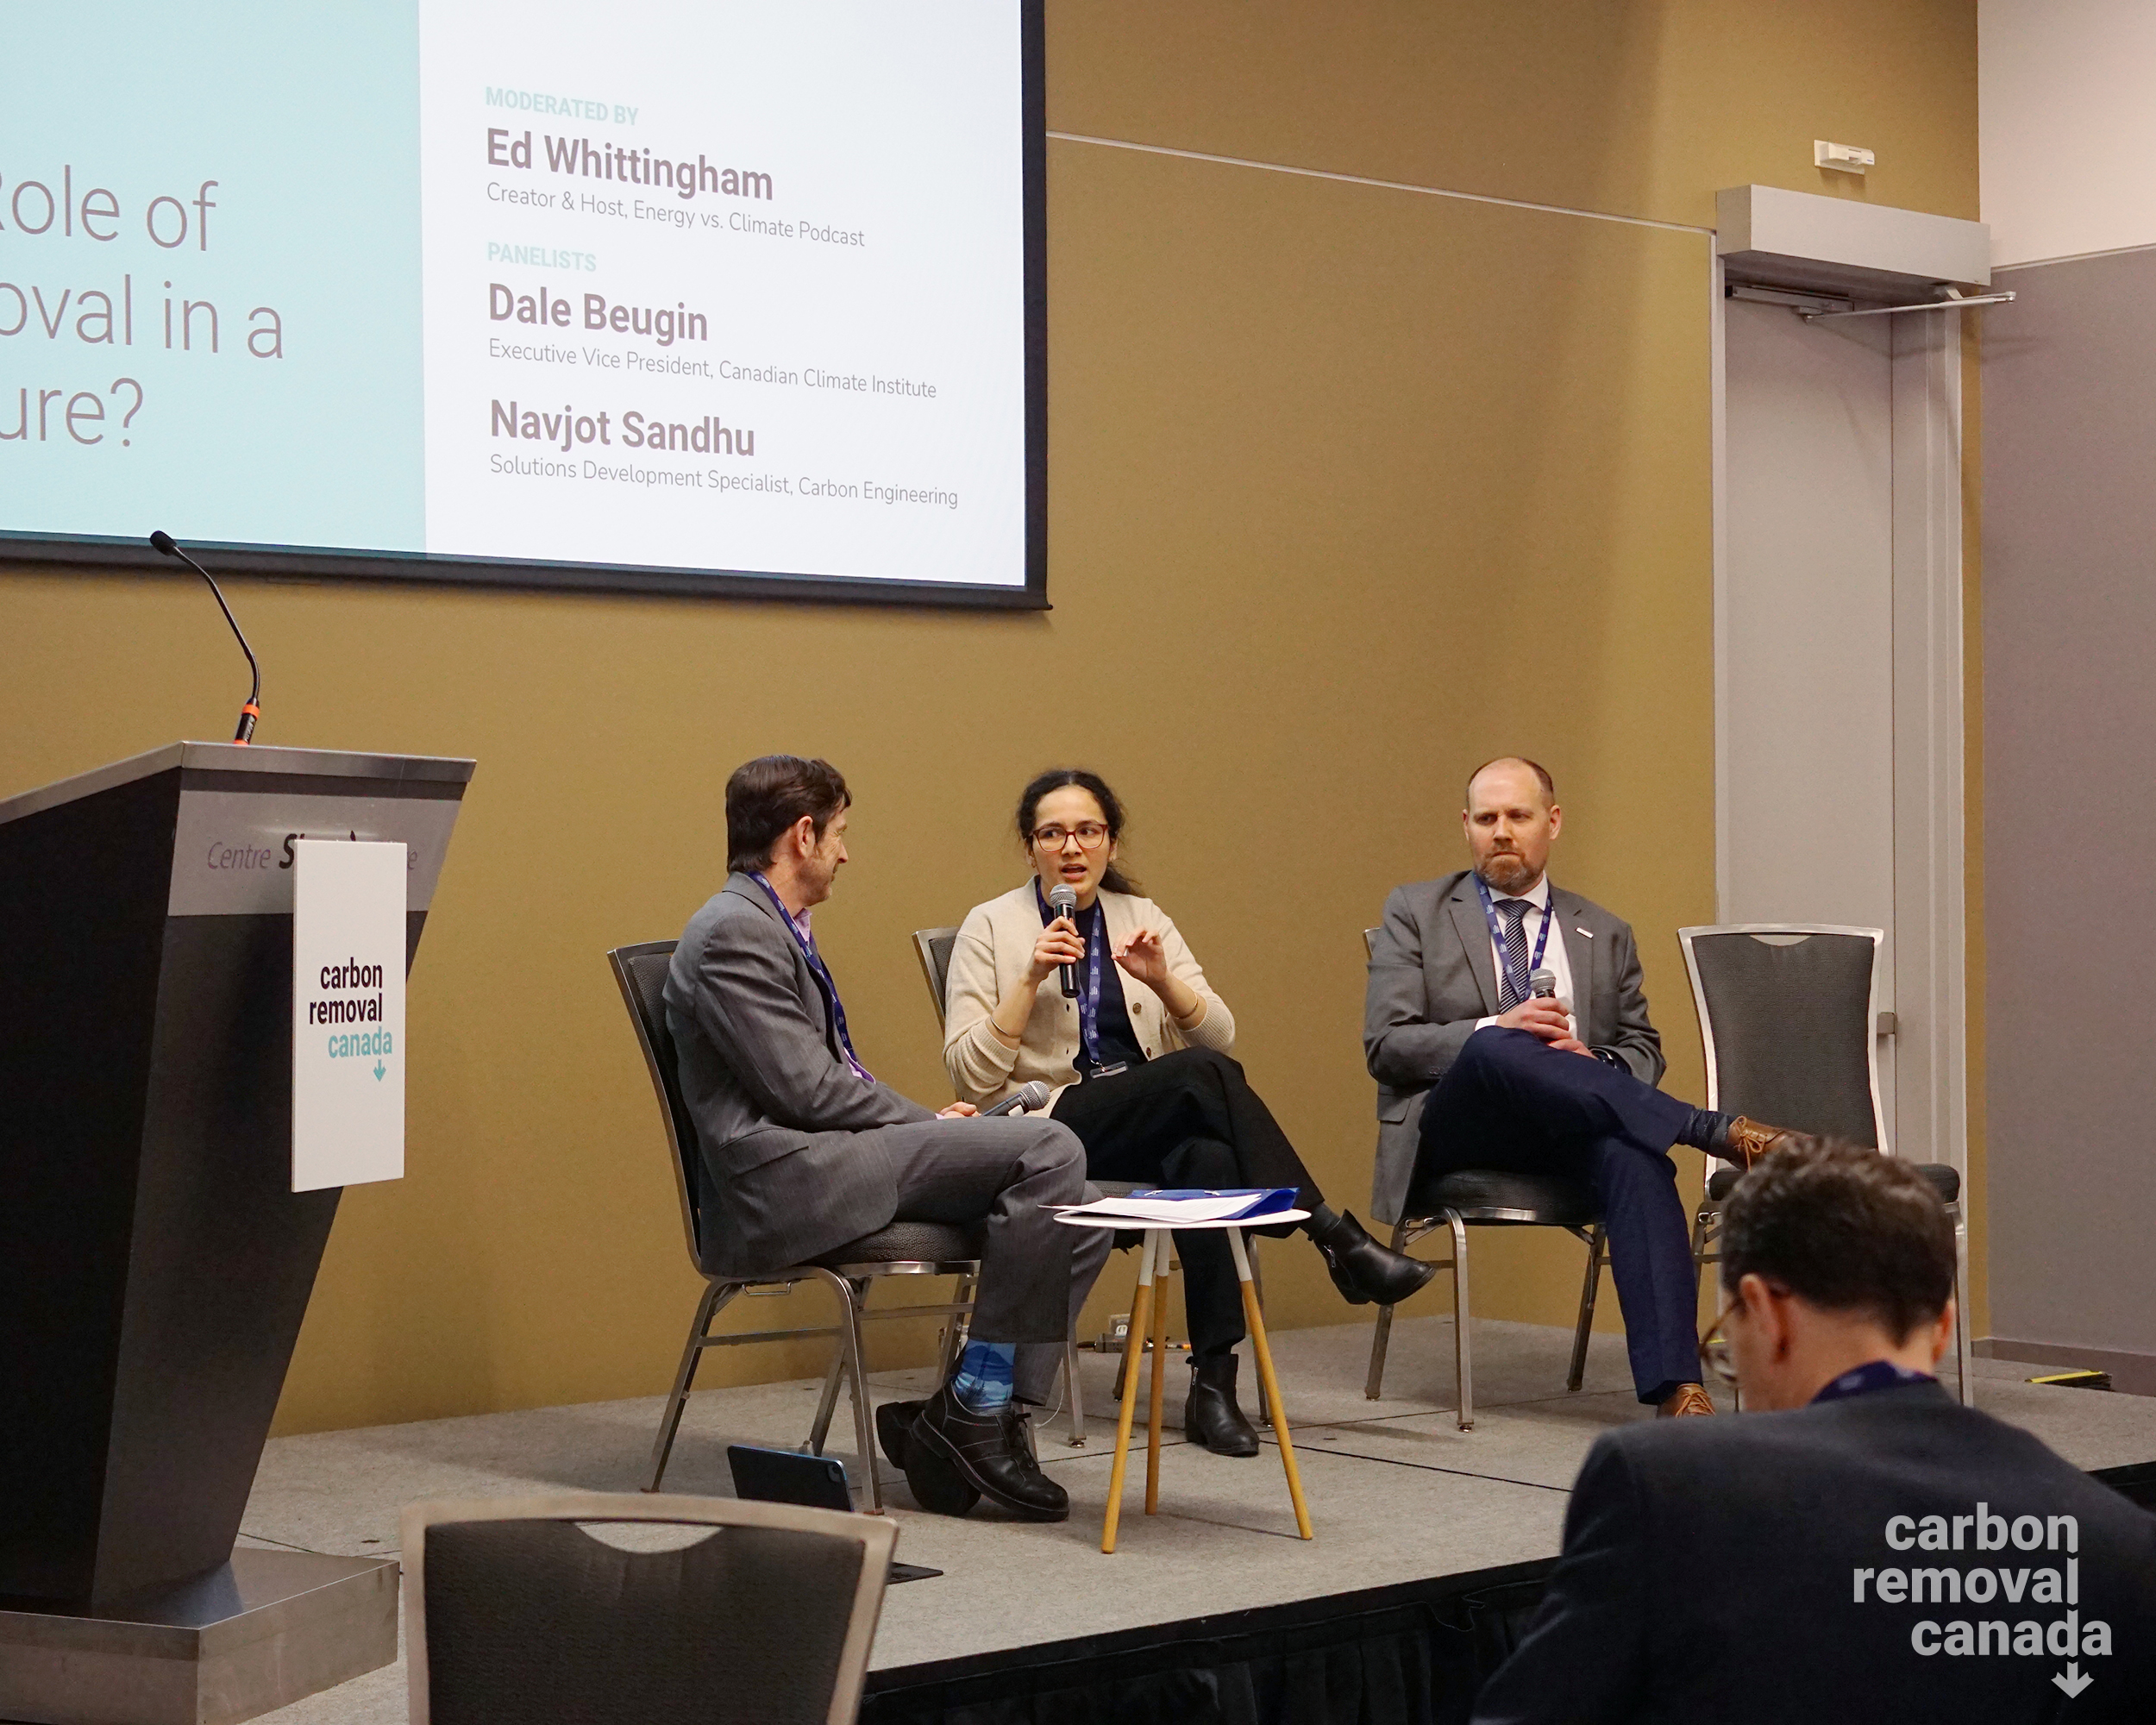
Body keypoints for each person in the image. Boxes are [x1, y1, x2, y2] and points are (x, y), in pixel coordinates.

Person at [1470, 1140, 2156, 1723]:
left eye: (1725, 1340)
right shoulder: (2115, 1542)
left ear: (1766, 1312)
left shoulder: (1666, 1488)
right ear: (1942, 1328)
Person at [935, 767, 1433, 1457]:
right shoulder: (992, 925)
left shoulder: (1143, 918)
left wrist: (1164, 981)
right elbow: (970, 1071)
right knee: (1199, 1078)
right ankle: (1333, 1237)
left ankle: (1214, 1386)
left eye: (1088, 831)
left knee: (1213, 1159)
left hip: (1142, 1119)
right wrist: (1029, 979)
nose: (1071, 848)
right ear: (1031, 849)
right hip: (1050, 1129)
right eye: (1053, 834)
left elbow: (1222, 1034)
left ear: (1110, 842)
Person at [663, 755, 1109, 1521]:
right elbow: (803, 1089)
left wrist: (920, 1123)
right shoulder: (733, 932)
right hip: (783, 1181)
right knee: (1051, 1149)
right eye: (839, 834)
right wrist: (923, 1123)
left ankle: (981, 1412)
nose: (846, 851)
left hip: (831, 1157)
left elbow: (823, 1081)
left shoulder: (771, 922)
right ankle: (973, 1410)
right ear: (803, 835)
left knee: (1084, 1207)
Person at [1365, 756, 1800, 1416]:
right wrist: (1498, 1026)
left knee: (1637, 1157)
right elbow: (1387, 1045)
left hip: (1569, 1124)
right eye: (1486, 819)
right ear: (1466, 827)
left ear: (1553, 821)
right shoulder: (1416, 911)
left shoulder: (1604, 931)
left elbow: (1641, 1048)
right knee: (1496, 1046)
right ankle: (1710, 1130)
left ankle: (1678, 1389)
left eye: (1518, 816)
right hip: (1461, 1127)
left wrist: (1591, 1061)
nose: (1502, 832)